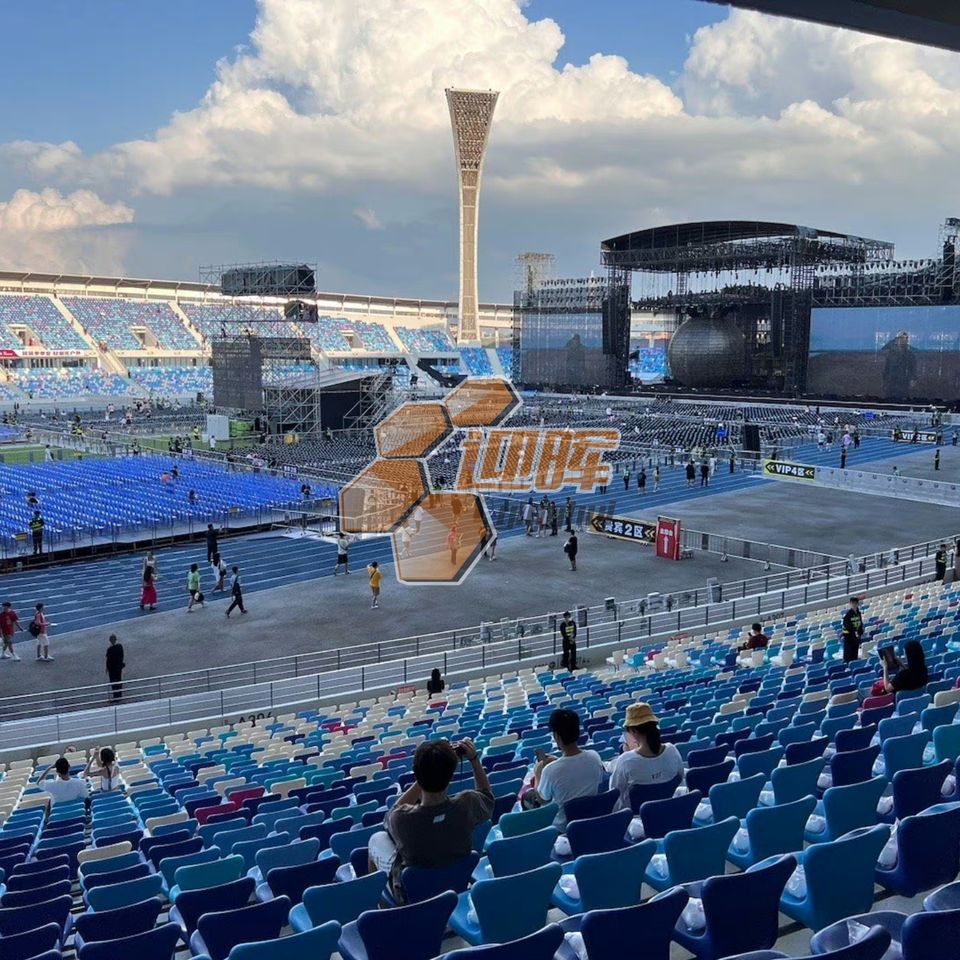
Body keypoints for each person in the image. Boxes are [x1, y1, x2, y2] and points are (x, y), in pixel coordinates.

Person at [367, 738, 493, 903]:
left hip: (412, 895)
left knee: (376, 839)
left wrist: (424, 775)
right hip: (454, 885)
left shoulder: (402, 819)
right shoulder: (468, 803)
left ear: (417, 774)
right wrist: (474, 759)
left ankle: (382, 907)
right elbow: (487, 795)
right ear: (451, 775)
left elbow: (391, 815)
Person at [530, 709, 605, 830]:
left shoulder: (550, 770)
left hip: (564, 829)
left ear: (557, 736)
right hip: (592, 820)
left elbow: (542, 800)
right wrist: (558, 761)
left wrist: (538, 774)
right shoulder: (595, 757)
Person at [609, 703, 685, 810]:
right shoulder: (672, 750)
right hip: (671, 810)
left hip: (638, 818)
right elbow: (681, 778)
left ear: (633, 731)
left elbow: (614, 795)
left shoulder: (626, 761)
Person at [842, 596, 864, 662]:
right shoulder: (848, 614)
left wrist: (860, 632)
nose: (853, 605)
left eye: (855, 603)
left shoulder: (858, 613)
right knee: (848, 655)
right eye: (852, 603)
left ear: (857, 604)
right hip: (849, 637)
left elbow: (860, 623)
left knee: (855, 654)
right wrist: (855, 632)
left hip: (856, 637)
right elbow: (847, 625)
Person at [105, 634, 125, 700]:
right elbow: (122, 656)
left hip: (112, 669)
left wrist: (107, 668)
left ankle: (116, 696)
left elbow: (108, 660)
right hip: (118, 667)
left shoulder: (110, 649)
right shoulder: (119, 646)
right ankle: (119, 694)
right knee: (119, 680)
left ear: (110, 641)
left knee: (114, 682)